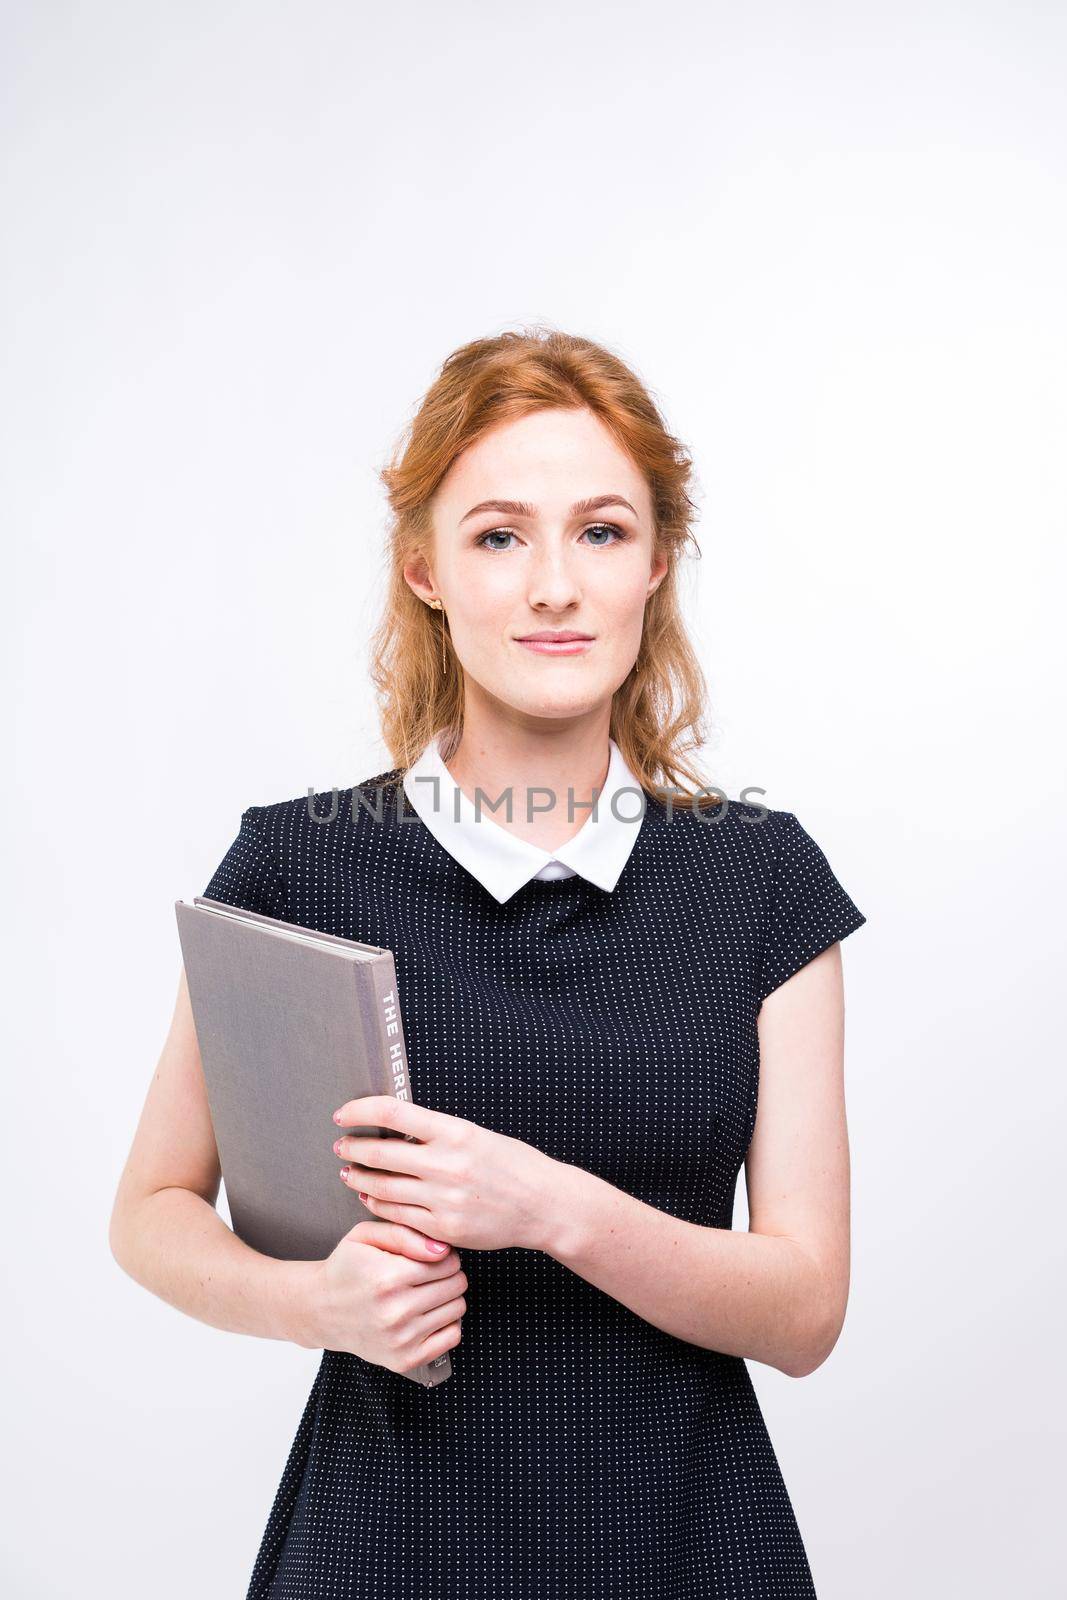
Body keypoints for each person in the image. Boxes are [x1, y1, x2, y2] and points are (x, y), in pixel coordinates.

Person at [109, 326, 867, 1599]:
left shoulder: (760, 879)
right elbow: (150, 1212)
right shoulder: (301, 864)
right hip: (384, 1546)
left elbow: (804, 1308)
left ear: (656, 565)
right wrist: (321, 1306)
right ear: (425, 569)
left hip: (684, 1544)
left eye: (602, 532)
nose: (553, 586)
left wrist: (546, 1206)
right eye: (500, 535)